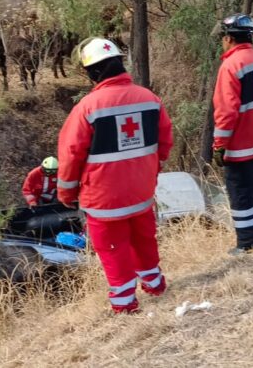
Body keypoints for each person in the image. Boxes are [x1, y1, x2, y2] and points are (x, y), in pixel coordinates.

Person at [57, 38, 174, 314]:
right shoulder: (150, 99)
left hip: (104, 198)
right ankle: (155, 285)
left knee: (112, 247)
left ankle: (124, 304)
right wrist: (147, 170)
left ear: (92, 72)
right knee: (144, 238)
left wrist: (66, 193)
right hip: (142, 192)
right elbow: (165, 144)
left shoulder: (87, 108)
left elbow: (71, 154)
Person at [212, 14, 253, 255]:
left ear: (229, 38)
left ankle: (248, 243)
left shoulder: (231, 66)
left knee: (240, 193)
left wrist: (220, 145)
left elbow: (226, 111)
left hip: (239, 145)